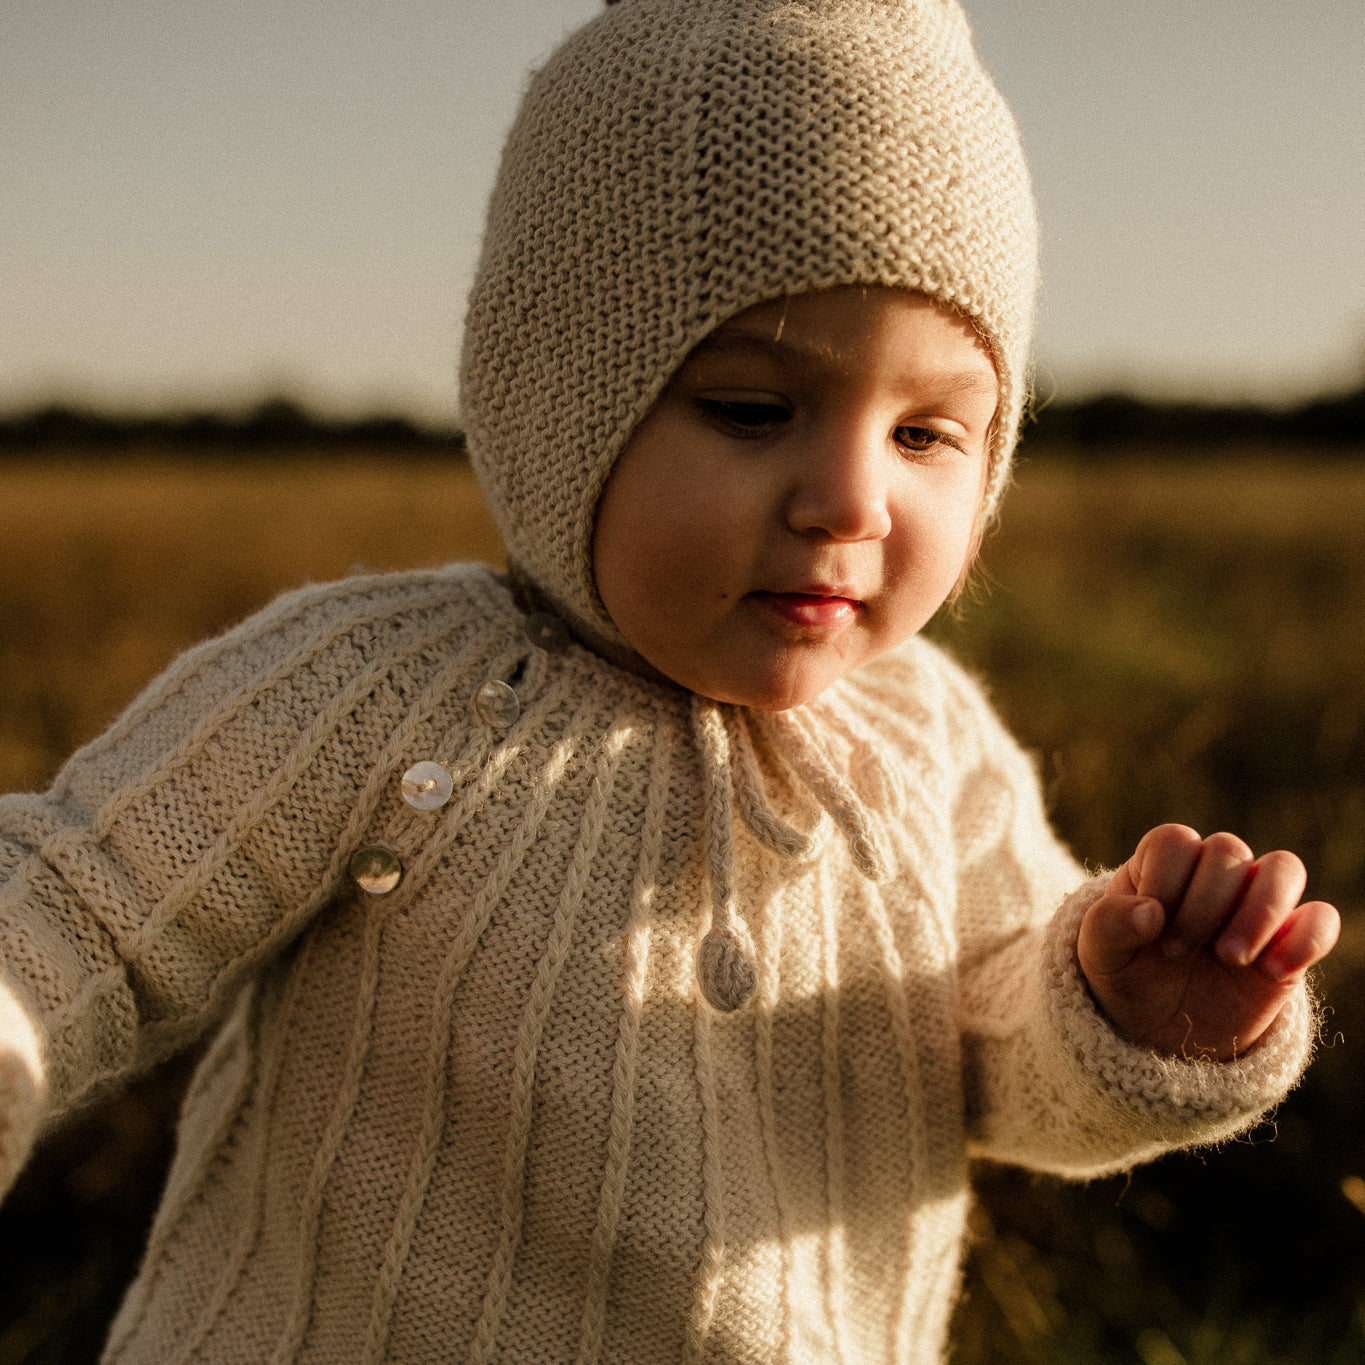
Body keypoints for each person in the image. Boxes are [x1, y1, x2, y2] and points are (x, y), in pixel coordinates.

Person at [0, 0, 1340, 1361]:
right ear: (553, 399)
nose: (847, 498)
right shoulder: (381, 689)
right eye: (753, 411)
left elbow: (995, 1054)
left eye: (928, 431)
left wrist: (1121, 1016)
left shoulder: (928, 740)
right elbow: (82, 905)